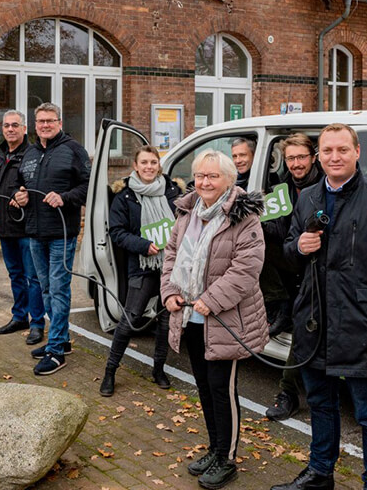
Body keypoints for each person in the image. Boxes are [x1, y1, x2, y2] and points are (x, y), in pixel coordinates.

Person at [271, 123, 367, 490]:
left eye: (342, 150)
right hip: (315, 322)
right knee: (320, 402)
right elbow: (288, 255)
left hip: (361, 323)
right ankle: (321, 472)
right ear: (319, 156)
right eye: (328, 151)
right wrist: (298, 247)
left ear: (357, 152)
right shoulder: (307, 198)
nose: (335, 157)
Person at [160, 149, 268, 490]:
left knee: (223, 390)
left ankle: (228, 457)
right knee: (204, 388)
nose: (205, 182)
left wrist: (210, 299)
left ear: (229, 179)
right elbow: (171, 256)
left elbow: (246, 270)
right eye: (200, 176)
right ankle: (214, 448)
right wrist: (169, 293)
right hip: (190, 317)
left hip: (225, 320)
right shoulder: (186, 212)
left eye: (213, 176)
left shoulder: (243, 217)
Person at [99, 146, 183, 397]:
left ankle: (158, 370)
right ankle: (110, 371)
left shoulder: (173, 191)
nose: (149, 167)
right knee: (130, 319)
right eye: (144, 162)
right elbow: (117, 232)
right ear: (135, 166)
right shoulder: (124, 196)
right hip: (142, 265)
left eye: (153, 162)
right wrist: (144, 246)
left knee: (166, 320)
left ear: (159, 165)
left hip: (172, 265)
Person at [13, 103, 90, 376]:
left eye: (50, 120)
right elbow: (20, 185)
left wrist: (65, 197)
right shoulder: (31, 152)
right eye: (41, 121)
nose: (45, 125)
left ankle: (56, 351)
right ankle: (63, 339)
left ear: (60, 122)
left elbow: (87, 185)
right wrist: (19, 196)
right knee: (45, 288)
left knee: (58, 290)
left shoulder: (73, 150)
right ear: (35, 125)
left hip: (61, 233)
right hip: (35, 232)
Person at [262, 134, 322, 421]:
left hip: (316, 269)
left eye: (301, 157)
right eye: (291, 159)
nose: (296, 164)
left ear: (313, 157)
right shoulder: (281, 190)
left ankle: (287, 391)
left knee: (302, 331)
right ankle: (281, 304)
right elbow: (278, 232)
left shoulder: (325, 187)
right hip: (290, 263)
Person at [0, 110, 45, 343]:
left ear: (24, 129)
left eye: (15, 125)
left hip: (26, 227)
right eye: (6, 126)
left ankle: (37, 323)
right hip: (5, 226)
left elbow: (36, 185)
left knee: (32, 277)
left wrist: (24, 193)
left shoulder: (33, 154)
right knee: (15, 275)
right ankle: (19, 316)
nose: (10, 129)